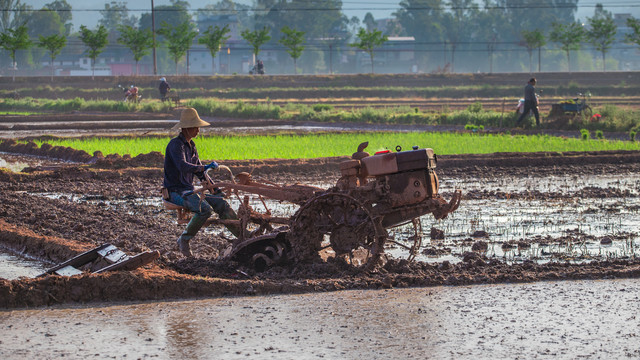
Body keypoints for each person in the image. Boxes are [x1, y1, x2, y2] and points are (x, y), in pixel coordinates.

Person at [163, 107, 241, 257]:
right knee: (204, 209)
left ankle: (242, 235)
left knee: (221, 203)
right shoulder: (175, 145)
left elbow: (200, 171)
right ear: (187, 128)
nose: (198, 130)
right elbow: (183, 166)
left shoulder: (192, 146)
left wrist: (215, 190)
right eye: (196, 127)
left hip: (189, 189)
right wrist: (204, 166)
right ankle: (184, 240)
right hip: (175, 191)